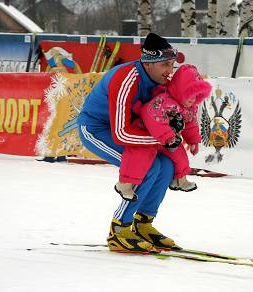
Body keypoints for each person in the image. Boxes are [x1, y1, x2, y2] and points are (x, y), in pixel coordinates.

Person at [77, 33, 185, 253]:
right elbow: (121, 133)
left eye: (172, 64)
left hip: (129, 131)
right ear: (149, 63)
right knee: (147, 168)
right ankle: (119, 229)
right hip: (96, 130)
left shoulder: (160, 80)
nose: (170, 70)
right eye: (165, 64)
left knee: (165, 166)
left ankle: (143, 224)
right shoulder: (126, 78)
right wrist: (164, 139)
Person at [114, 64, 212, 201]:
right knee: (140, 156)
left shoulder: (189, 107)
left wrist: (193, 140)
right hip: (146, 132)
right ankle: (124, 184)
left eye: (196, 96)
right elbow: (151, 116)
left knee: (180, 154)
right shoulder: (164, 102)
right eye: (189, 95)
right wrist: (167, 135)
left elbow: (190, 124)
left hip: (167, 138)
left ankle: (180, 180)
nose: (192, 100)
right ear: (180, 90)